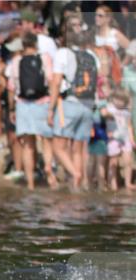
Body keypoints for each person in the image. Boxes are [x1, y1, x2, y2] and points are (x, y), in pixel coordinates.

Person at [7, 31, 55, 190]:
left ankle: (30, 182)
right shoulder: (45, 58)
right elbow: (51, 81)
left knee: (28, 145)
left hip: (23, 104)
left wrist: (12, 109)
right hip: (43, 102)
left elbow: (11, 87)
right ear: (36, 44)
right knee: (46, 140)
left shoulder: (16, 61)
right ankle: (48, 167)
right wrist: (52, 106)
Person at [47, 26, 91, 189]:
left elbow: (56, 82)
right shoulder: (90, 55)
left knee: (58, 146)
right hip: (88, 105)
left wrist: (51, 109)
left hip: (70, 104)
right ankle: (77, 186)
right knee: (78, 148)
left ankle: (75, 174)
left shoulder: (62, 54)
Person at [102, 89, 133, 190]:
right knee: (113, 162)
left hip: (125, 138)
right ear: (113, 99)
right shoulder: (110, 109)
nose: (119, 102)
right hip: (113, 138)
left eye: (122, 100)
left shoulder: (127, 112)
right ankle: (112, 184)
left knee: (128, 161)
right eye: (117, 99)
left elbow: (129, 126)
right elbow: (103, 113)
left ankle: (128, 183)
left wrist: (132, 139)